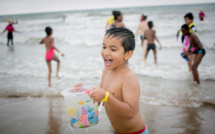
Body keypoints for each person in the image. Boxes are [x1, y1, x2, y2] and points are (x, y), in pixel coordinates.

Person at [74, 28, 148, 134]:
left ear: (128, 54)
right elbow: (101, 100)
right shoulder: (106, 71)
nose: (106, 52)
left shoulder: (128, 76)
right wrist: (83, 91)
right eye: (104, 47)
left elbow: (130, 112)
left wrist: (106, 96)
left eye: (113, 49)